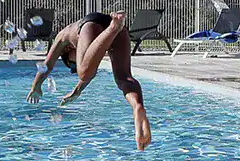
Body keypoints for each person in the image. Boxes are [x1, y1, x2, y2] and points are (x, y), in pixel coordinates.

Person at [27, 9, 152, 149]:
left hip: (91, 23)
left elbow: (47, 64)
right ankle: (137, 107)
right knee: (124, 78)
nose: (76, 63)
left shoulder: (63, 36)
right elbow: (91, 68)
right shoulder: (80, 44)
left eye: (73, 63)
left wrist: (35, 86)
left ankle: (113, 27)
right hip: (116, 28)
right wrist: (76, 91)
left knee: (84, 73)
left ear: (68, 52)